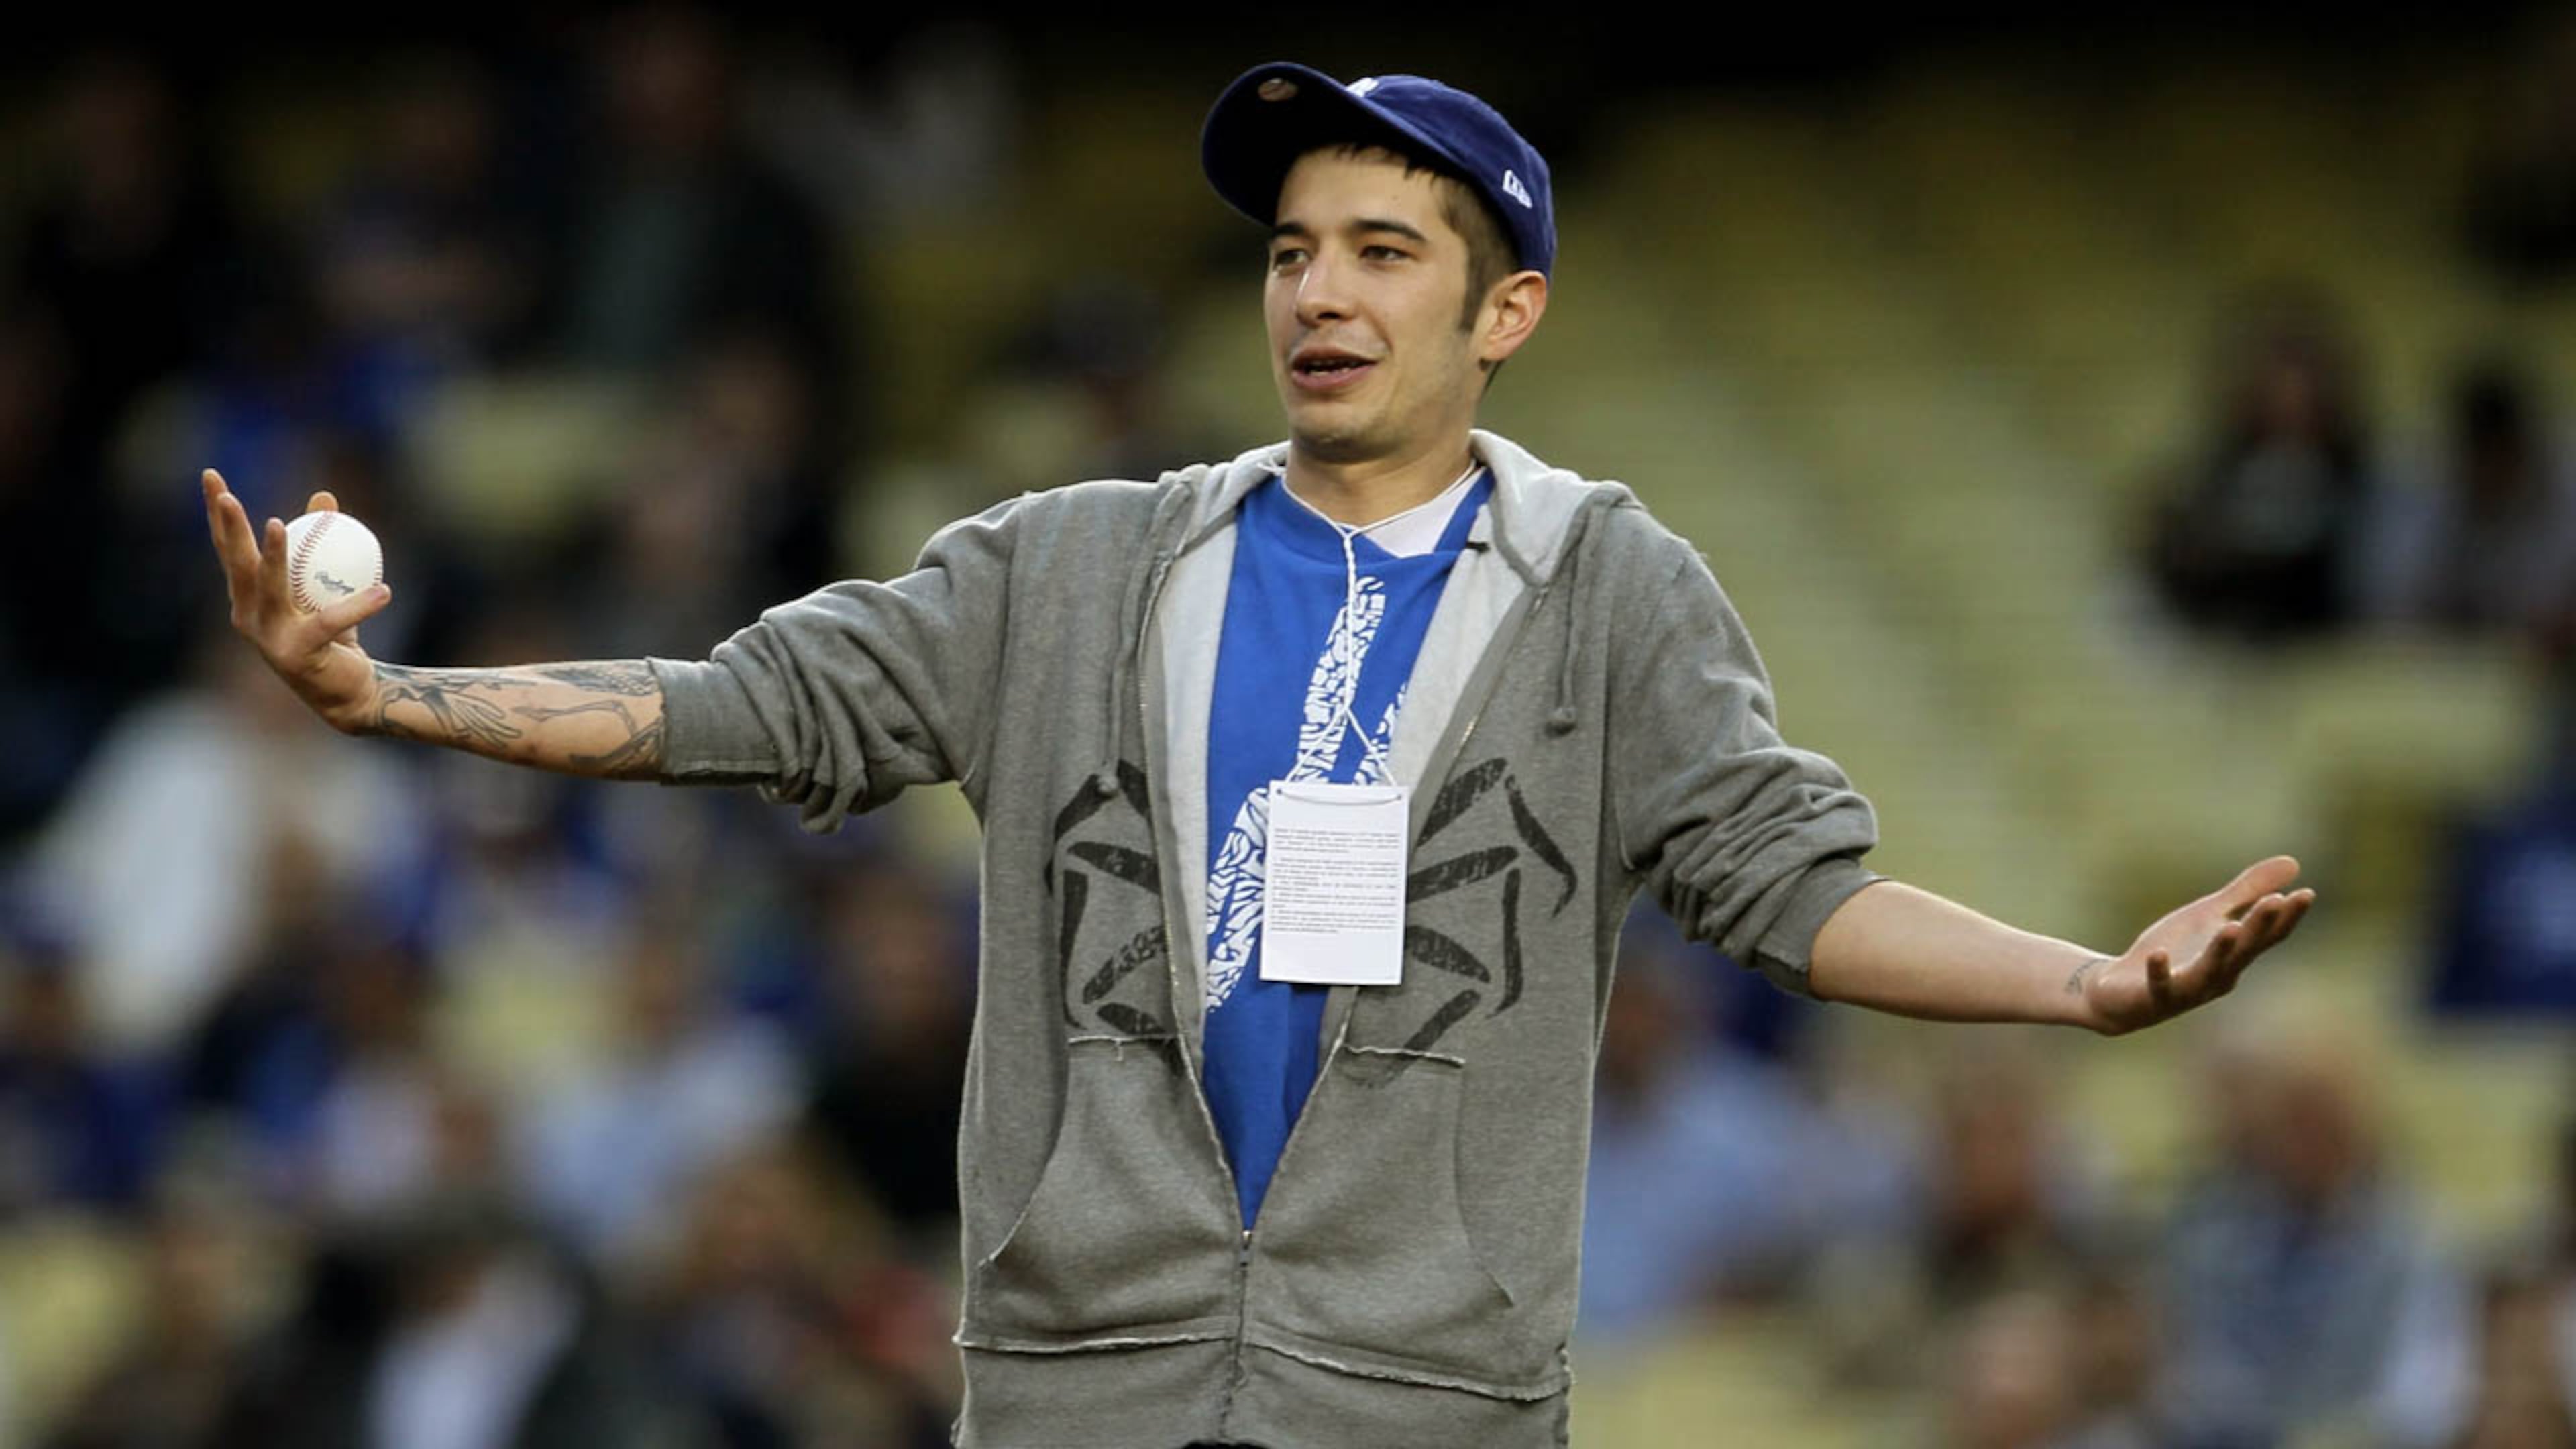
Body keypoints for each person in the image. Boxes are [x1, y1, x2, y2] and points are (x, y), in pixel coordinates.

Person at [204, 62, 2316, 1449]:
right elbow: (752, 698)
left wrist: (2087, 986)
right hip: (1081, 1396)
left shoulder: (1609, 591)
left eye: (1385, 251)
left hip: (1426, 1403)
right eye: (1293, 248)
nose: (1319, 289)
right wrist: (392, 703)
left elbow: (1787, 884)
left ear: (1510, 313)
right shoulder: (1067, 565)